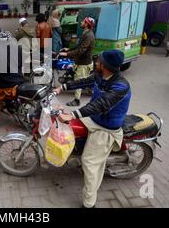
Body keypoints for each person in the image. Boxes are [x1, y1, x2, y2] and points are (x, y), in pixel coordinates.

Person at [53, 50, 130, 209]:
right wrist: (63, 87)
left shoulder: (120, 86)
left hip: (106, 127)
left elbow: (101, 104)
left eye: (99, 61)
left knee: (89, 162)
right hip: (94, 118)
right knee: (67, 125)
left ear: (105, 66)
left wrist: (73, 114)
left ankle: (89, 204)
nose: (96, 63)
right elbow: (84, 81)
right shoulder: (101, 76)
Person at [59, 16, 96, 106]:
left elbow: (81, 50)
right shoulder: (85, 33)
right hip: (81, 62)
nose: (81, 22)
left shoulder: (89, 36)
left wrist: (67, 54)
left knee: (79, 81)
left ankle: (76, 100)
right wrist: (68, 49)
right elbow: (78, 46)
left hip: (84, 63)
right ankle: (91, 90)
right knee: (82, 78)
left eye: (83, 21)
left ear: (87, 24)